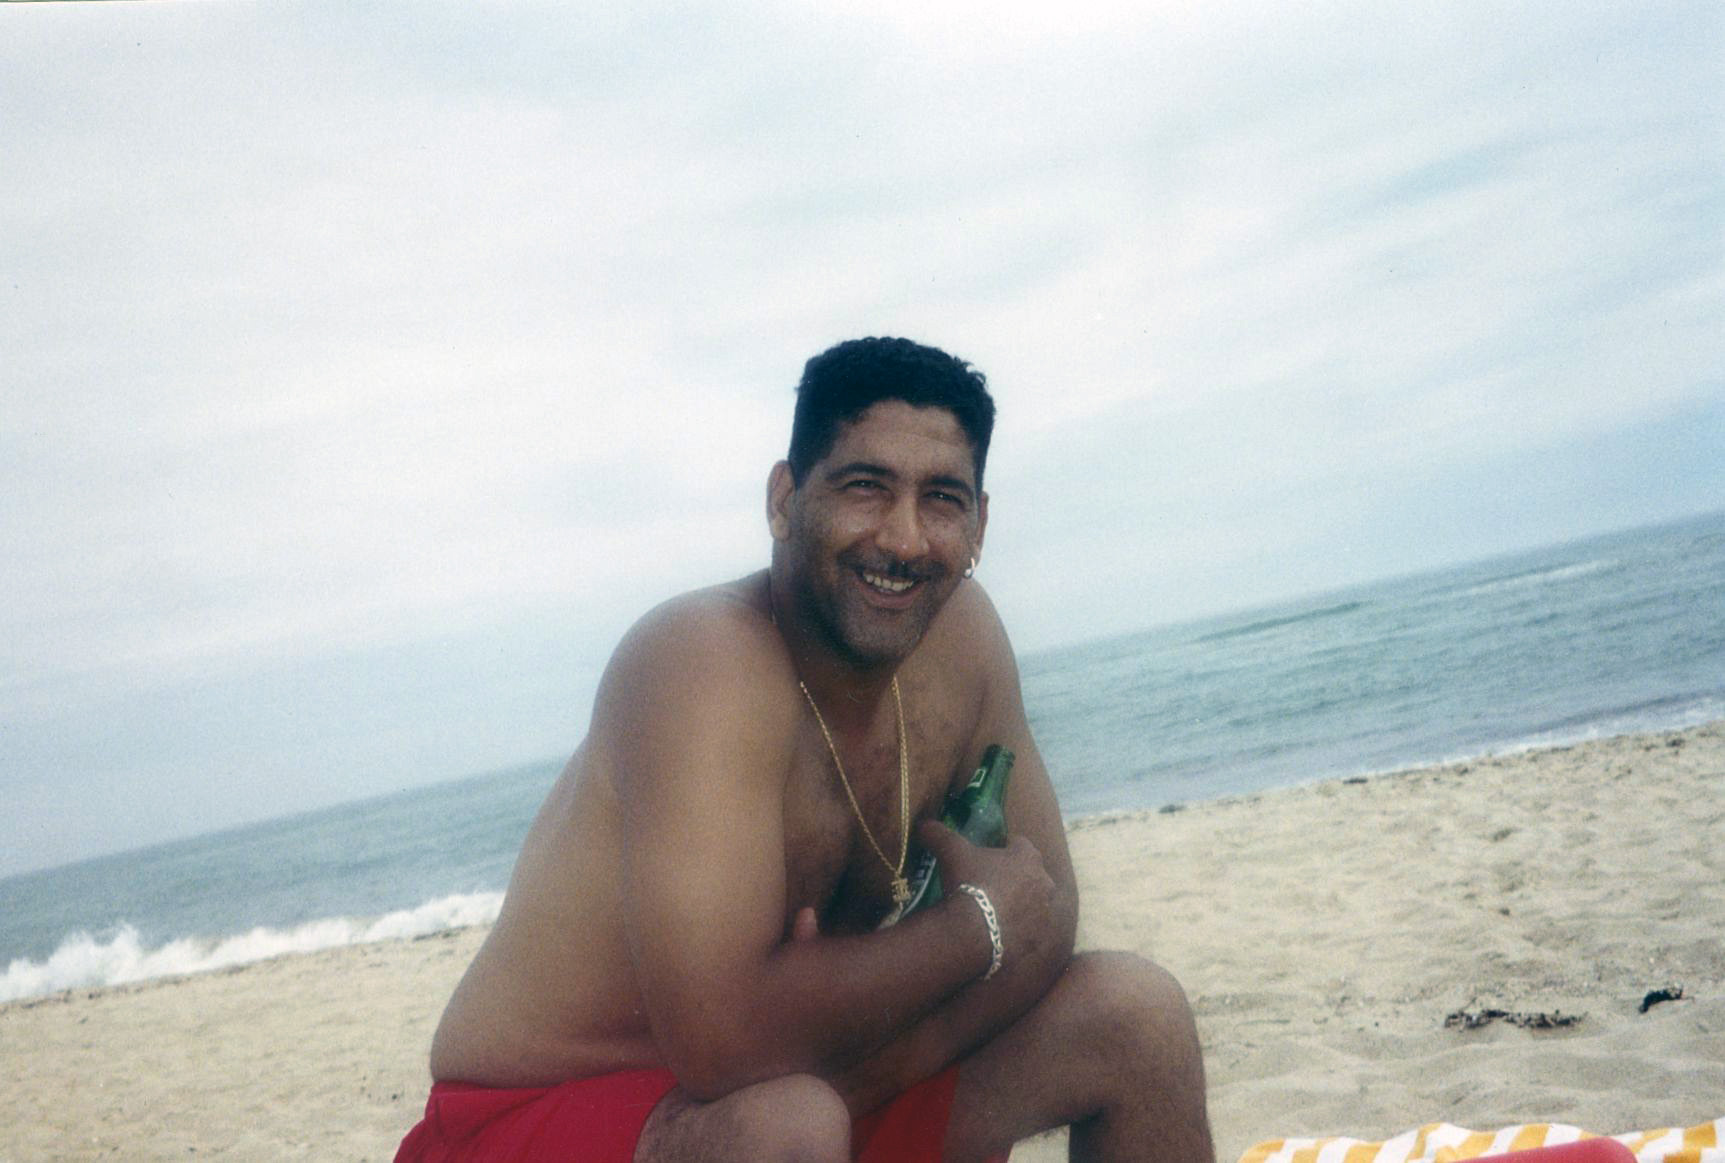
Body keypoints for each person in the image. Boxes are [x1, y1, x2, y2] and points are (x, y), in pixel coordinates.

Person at [397, 337, 1214, 1162]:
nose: (904, 539)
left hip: (822, 1082)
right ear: (785, 500)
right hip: (532, 1117)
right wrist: (973, 930)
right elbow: (718, 1040)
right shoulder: (705, 661)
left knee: (1133, 1015)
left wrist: (876, 1054)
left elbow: (1048, 910)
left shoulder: (962, 641)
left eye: (941, 498)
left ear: (978, 525)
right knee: (788, 1125)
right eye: (865, 487)